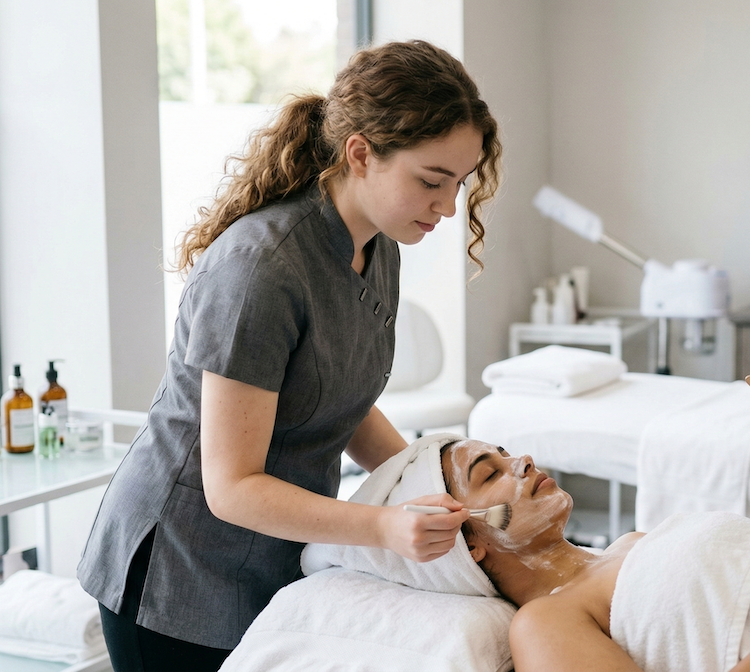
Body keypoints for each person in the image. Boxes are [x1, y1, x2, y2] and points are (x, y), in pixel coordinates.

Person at [77, 40, 501, 671]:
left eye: (458, 183)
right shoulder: (262, 270)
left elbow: (339, 398)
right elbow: (232, 488)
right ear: (360, 153)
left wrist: (441, 485)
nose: (446, 206)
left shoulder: (378, 249)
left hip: (272, 558)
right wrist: (385, 527)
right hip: (177, 574)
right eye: (431, 181)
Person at [440, 439, 750, 672]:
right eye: (490, 474)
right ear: (471, 546)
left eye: (506, 452)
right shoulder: (543, 623)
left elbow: (742, 592)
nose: (522, 461)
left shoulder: (631, 543)